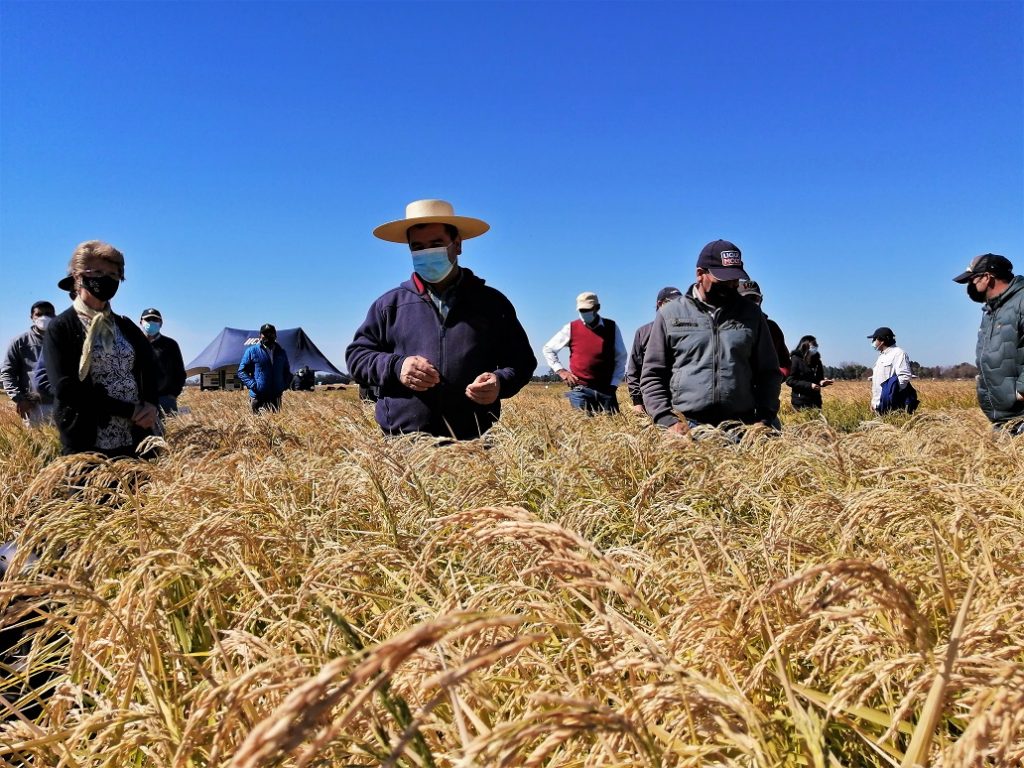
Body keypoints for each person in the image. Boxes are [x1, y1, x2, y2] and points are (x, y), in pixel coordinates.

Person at [347, 200, 536, 440]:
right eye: (418, 247)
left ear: (457, 245)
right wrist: (397, 366)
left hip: (473, 441)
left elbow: (521, 361)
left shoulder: (492, 304)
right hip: (403, 442)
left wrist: (500, 382)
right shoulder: (389, 305)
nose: (427, 253)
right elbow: (357, 357)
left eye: (436, 244)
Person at [641, 239, 782, 435]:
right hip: (686, 428)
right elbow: (652, 375)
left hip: (741, 427)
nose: (732, 285)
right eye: (723, 280)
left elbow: (769, 373)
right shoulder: (670, 315)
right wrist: (666, 419)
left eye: (735, 279)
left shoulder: (752, 315)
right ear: (700, 274)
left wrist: (765, 417)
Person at [44, 241, 160, 457]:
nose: (106, 279)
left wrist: (151, 404)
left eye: (113, 274)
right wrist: (129, 410)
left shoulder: (125, 326)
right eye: (97, 272)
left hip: (134, 438)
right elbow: (66, 388)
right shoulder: (61, 327)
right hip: (87, 439)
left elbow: (151, 366)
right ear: (78, 276)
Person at [952, 253, 1024, 434]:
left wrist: (1022, 390)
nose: (970, 286)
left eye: (972, 280)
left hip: (1020, 414)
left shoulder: (1021, 301)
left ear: (987, 277)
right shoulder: (991, 311)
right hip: (1002, 418)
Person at [543, 292, 627, 414]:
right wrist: (561, 371)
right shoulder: (571, 328)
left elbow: (621, 357)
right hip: (580, 390)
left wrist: (614, 384)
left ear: (597, 308)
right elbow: (548, 349)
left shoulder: (611, 327)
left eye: (587, 310)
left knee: (613, 424)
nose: (584, 313)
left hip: (606, 390)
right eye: (581, 310)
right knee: (581, 425)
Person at [624, 287, 681, 415]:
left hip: (683, 402)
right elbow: (634, 370)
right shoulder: (643, 333)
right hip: (655, 402)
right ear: (660, 304)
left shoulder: (688, 332)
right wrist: (637, 402)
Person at [2, 300, 56, 425]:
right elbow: (7, 373)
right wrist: (19, 398)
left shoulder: (64, 340)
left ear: (55, 316)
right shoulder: (19, 342)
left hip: (62, 404)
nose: (44, 317)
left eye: (48, 314)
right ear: (31, 317)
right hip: (33, 407)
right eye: (39, 314)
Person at [738, 280, 791, 377]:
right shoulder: (725, 328)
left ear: (761, 300)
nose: (750, 303)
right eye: (745, 299)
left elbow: (785, 364)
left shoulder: (772, 328)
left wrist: (774, 378)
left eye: (754, 299)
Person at [139, 307, 186, 415]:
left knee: (168, 426)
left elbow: (180, 373)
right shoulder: (134, 343)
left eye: (155, 319)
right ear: (141, 322)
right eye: (148, 319)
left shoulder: (170, 345)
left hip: (164, 399)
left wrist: (172, 395)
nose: (151, 322)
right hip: (140, 400)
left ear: (161, 323)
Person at [238, 323, 291, 413]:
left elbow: (286, 371)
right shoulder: (252, 351)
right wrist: (254, 385)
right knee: (257, 421)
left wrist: (283, 386)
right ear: (260, 336)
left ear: (275, 336)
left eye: (271, 333)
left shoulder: (281, 352)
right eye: (265, 334)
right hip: (258, 397)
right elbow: (242, 371)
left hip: (275, 397)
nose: (268, 336)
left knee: (275, 421)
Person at [867, 326, 916, 414]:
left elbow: (904, 376)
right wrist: (874, 402)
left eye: (874, 339)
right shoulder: (882, 356)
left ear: (882, 341)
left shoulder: (899, 353)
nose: (873, 342)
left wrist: (891, 396)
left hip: (890, 405)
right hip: (878, 404)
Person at [786, 335, 833, 410]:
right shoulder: (795, 360)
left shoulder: (817, 361)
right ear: (805, 345)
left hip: (816, 402)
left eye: (816, 344)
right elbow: (790, 380)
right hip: (800, 402)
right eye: (813, 344)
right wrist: (809, 385)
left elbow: (819, 378)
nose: (816, 346)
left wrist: (822, 382)